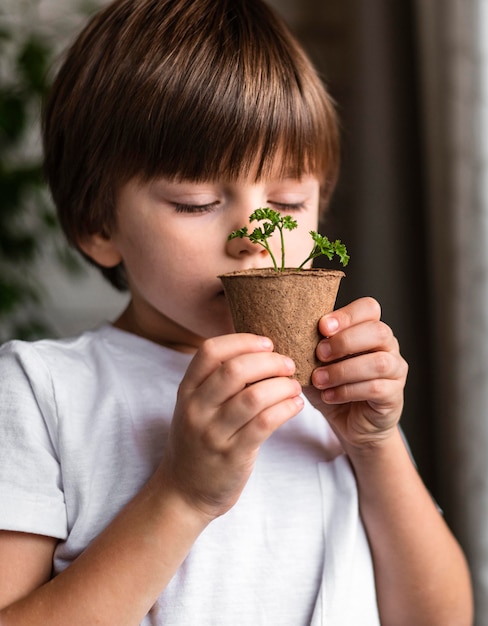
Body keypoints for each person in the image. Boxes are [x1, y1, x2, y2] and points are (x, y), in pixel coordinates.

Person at [0, 0, 473, 624]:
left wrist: (376, 447)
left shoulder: (332, 396)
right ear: (97, 224)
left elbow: (441, 616)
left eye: (286, 200)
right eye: (196, 202)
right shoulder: (41, 392)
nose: (254, 233)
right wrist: (182, 495)